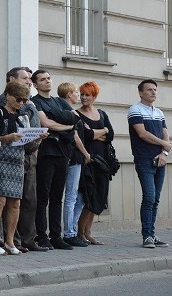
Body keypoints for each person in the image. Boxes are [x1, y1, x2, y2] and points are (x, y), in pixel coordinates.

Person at [0, 67, 47, 253]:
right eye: (25, 78)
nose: (29, 81)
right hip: (10, 155)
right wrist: (29, 106)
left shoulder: (28, 101)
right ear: (11, 80)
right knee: (8, 200)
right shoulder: (7, 99)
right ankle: (12, 239)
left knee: (28, 199)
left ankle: (27, 238)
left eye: (30, 79)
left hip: (28, 152)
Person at [30, 70, 80, 251]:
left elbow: (76, 118)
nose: (47, 82)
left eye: (49, 78)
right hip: (46, 153)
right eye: (42, 80)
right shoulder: (35, 102)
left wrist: (57, 119)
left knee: (57, 197)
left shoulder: (58, 101)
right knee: (43, 197)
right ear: (35, 84)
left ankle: (56, 236)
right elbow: (46, 124)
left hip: (62, 153)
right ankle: (42, 236)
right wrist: (64, 123)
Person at [0, 81, 34, 256]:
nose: (20, 103)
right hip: (2, 160)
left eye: (24, 100)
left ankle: (10, 240)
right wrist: (8, 137)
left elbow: (27, 139)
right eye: (18, 99)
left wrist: (37, 136)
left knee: (16, 203)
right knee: (0, 201)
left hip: (18, 160)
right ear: (8, 96)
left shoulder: (23, 116)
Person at [127, 79, 171, 249]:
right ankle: (147, 236)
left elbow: (166, 135)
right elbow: (142, 134)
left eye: (155, 89)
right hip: (144, 159)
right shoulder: (135, 110)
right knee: (149, 197)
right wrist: (164, 144)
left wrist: (164, 152)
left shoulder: (159, 112)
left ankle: (152, 234)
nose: (153, 92)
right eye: (149, 90)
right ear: (140, 93)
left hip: (160, 159)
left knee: (156, 199)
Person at [76, 81, 114, 245]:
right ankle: (79, 232)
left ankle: (88, 232)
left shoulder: (102, 114)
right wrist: (101, 131)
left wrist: (100, 132)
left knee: (99, 196)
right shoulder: (77, 114)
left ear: (94, 96)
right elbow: (87, 135)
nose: (84, 98)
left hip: (102, 160)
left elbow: (110, 135)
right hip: (87, 159)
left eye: (87, 95)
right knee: (87, 197)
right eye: (82, 94)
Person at [57, 82, 91, 248]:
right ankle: (69, 232)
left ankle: (72, 229)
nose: (79, 95)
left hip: (73, 158)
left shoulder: (72, 112)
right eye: (76, 92)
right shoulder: (68, 113)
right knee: (71, 195)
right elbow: (75, 136)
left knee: (77, 196)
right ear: (69, 94)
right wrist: (86, 154)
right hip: (73, 157)